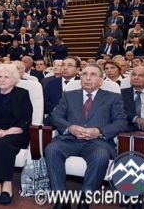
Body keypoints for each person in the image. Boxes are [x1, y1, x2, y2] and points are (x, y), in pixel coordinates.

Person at [45, 63, 127, 209]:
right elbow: (56, 117)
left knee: (101, 156)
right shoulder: (69, 95)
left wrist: (99, 131)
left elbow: (121, 122)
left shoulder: (113, 97)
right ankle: (61, 199)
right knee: (51, 149)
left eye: (93, 75)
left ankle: (85, 199)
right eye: (84, 74)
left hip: (96, 142)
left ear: (101, 80)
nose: (88, 78)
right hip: (70, 139)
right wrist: (70, 128)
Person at [0, 63, 32, 205]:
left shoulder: (22, 94)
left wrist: (8, 132)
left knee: (4, 143)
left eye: (6, 77)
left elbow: (26, 120)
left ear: (14, 80)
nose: (2, 80)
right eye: (0, 77)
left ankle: (7, 184)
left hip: (16, 132)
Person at [44, 56, 80, 125]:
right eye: (63, 65)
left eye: (70, 65)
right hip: (55, 117)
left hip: (77, 119)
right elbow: (46, 102)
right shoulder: (51, 83)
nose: (65, 68)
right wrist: (55, 110)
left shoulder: (82, 83)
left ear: (77, 69)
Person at [121, 66, 144, 132]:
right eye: (134, 75)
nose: (136, 77)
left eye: (140, 75)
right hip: (128, 128)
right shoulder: (121, 93)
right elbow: (119, 110)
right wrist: (135, 118)